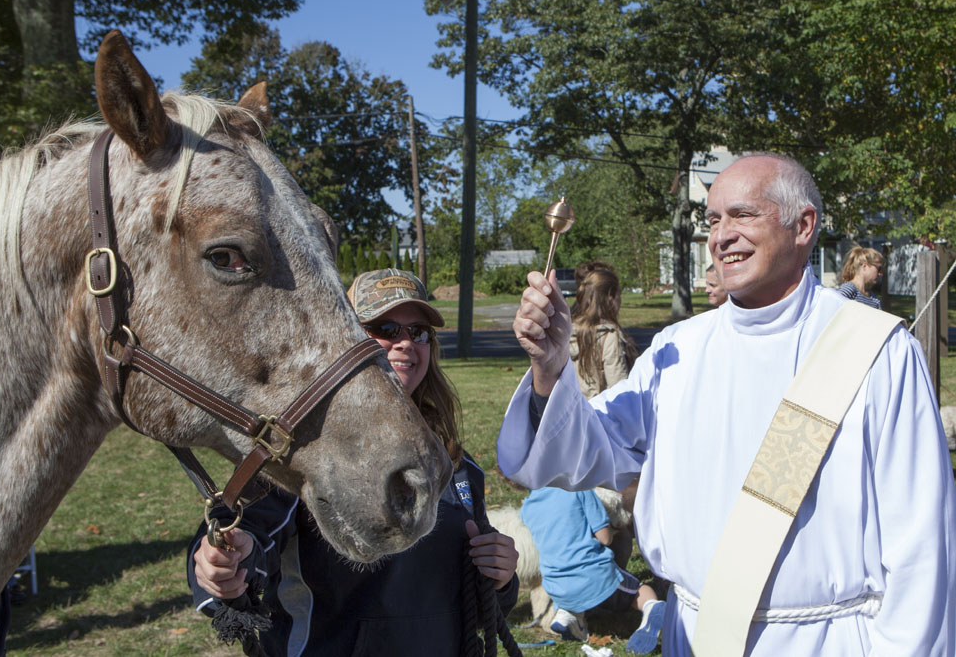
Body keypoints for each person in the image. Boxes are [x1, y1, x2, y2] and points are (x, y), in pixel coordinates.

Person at [499, 153, 956, 655]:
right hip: (696, 633)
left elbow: (922, 546)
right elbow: (583, 454)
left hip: (828, 641)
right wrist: (549, 368)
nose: (720, 236)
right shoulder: (678, 349)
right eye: (714, 220)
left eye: (742, 215)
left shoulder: (877, 351)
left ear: (803, 226)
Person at [189, 268, 519, 656]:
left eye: (419, 332)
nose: (405, 344)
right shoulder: (303, 452)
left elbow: (477, 609)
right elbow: (240, 541)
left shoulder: (453, 465)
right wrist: (224, 565)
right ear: (346, 338)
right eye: (385, 328)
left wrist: (501, 576)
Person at [521, 486, 665, 653]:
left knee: (572, 587)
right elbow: (605, 538)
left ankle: (568, 616)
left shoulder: (527, 507)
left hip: (557, 587)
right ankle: (652, 608)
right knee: (639, 590)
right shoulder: (579, 490)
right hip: (594, 576)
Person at [569, 267, 639, 399]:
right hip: (600, 415)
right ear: (610, 298)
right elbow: (619, 391)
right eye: (619, 295)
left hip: (572, 413)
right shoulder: (609, 336)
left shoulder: (567, 332)